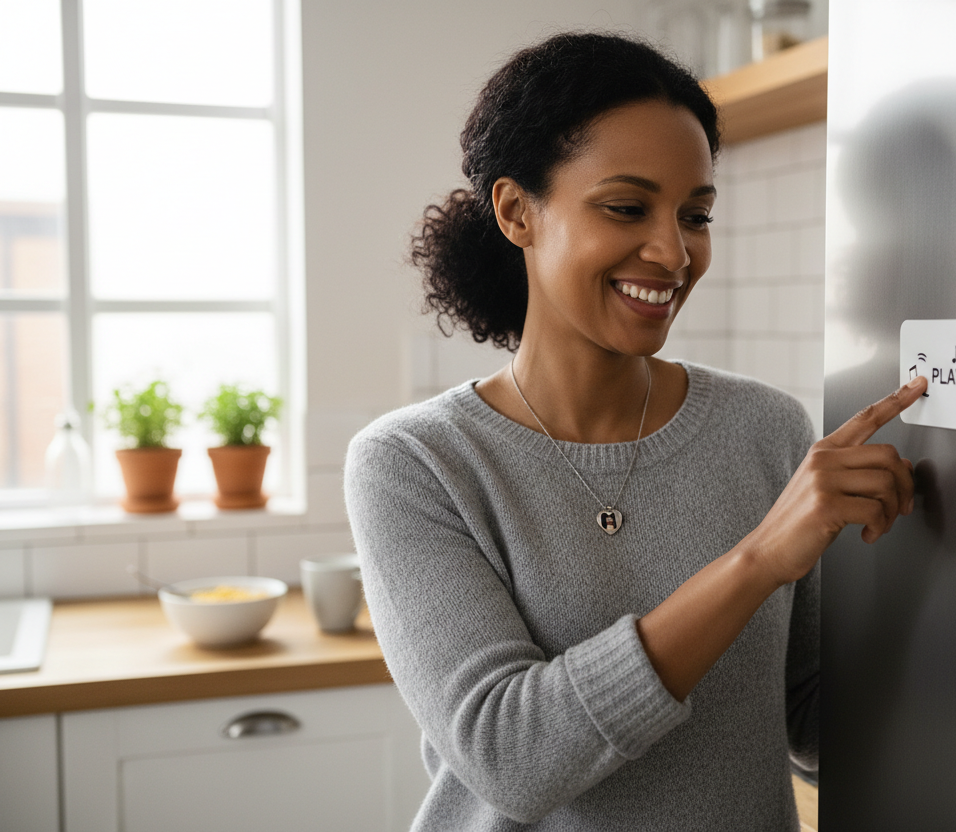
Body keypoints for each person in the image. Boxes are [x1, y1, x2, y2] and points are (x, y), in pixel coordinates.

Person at [344, 32, 925, 831]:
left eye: (696, 215)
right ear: (518, 212)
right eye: (626, 207)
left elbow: (810, 725)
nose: (673, 251)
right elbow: (512, 757)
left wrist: (951, 578)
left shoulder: (766, 429)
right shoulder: (415, 462)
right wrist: (756, 562)